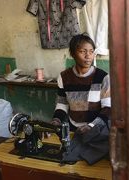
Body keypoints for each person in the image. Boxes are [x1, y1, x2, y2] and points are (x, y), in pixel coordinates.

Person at [51, 33, 111, 165]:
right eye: (83, 51)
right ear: (73, 54)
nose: (88, 56)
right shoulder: (64, 77)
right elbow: (62, 104)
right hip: (73, 130)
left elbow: (108, 109)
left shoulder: (102, 77)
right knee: (68, 160)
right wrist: (56, 119)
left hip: (96, 130)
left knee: (89, 161)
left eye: (91, 51)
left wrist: (91, 126)